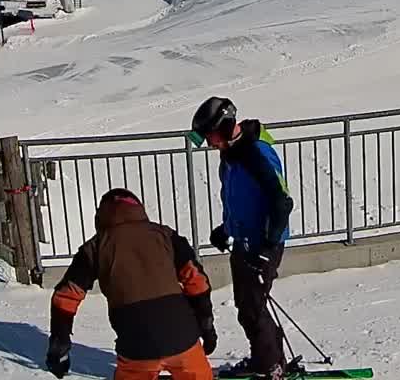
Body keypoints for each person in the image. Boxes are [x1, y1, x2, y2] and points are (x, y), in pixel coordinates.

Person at [46, 188, 218, 380]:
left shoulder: (94, 248)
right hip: (182, 338)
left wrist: (59, 344)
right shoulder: (166, 236)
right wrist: (206, 326)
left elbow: (65, 297)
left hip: (136, 346)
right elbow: (197, 282)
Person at [190, 96, 294, 380]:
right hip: (244, 240)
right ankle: (268, 359)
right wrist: (226, 229)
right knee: (248, 305)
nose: (210, 144)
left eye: (211, 136)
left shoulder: (256, 152)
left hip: (263, 243)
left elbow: (281, 202)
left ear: (224, 128)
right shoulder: (230, 155)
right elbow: (238, 199)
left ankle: (271, 366)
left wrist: (268, 245)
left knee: (253, 306)